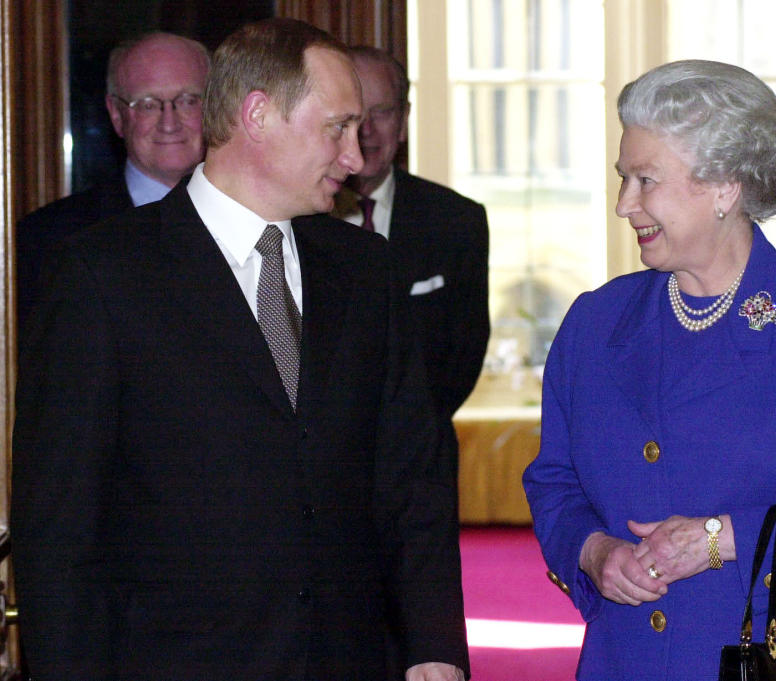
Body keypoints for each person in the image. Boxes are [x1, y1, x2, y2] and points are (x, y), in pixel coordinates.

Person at [12, 18, 468, 681]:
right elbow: (59, 529)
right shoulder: (102, 274)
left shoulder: (366, 270)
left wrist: (434, 646)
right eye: (336, 127)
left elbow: (412, 482)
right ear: (258, 116)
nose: (355, 155)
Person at [522, 59, 776, 680]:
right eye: (623, 178)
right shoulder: (595, 323)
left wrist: (721, 540)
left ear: (725, 189)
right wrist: (592, 551)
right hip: (625, 660)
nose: (626, 204)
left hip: (774, 656)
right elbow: (554, 479)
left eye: (646, 180)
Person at [334, 45, 490, 483]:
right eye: (349, 116)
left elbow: (464, 353)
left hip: (422, 468)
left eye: (380, 113)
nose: (364, 131)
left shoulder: (457, 221)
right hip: (313, 473)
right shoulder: (294, 219)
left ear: (403, 121)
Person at [15, 31, 210, 329]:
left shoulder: (262, 226)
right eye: (147, 104)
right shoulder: (48, 241)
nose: (169, 122)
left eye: (187, 101)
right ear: (117, 116)